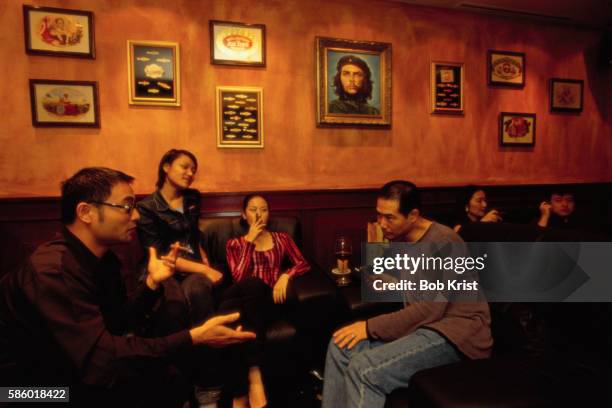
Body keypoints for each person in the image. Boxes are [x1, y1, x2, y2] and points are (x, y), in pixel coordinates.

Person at [0, 167, 255, 407]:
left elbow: (120, 322)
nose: (135, 215)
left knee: (170, 380)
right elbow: (102, 362)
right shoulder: (52, 271)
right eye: (126, 206)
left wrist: (152, 284)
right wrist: (194, 337)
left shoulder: (105, 260)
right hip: (25, 391)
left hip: (75, 369)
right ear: (86, 212)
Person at [321, 180, 492, 408]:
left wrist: (369, 327)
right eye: (379, 215)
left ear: (413, 215)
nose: (382, 223)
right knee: (340, 346)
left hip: (458, 335)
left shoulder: (445, 242)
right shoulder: (405, 240)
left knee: (364, 369)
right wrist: (393, 283)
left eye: (389, 217)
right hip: (427, 326)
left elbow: (430, 309)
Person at [222, 194, 310, 408]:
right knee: (251, 284)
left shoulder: (282, 239)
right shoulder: (234, 244)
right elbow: (238, 277)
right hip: (238, 297)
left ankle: (239, 396)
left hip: (266, 302)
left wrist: (285, 275)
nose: (259, 213)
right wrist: (249, 242)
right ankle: (254, 373)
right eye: (253, 209)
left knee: (237, 325)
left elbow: (303, 263)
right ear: (244, 215)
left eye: (264, 209)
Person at [137, 149, 223, 329]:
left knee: (199, 290)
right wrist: (205, 269)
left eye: (194, 170)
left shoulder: (193, 197)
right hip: (163, 267)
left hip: (192, 265)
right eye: (185, 167)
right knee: (174, 306)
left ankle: (210, 347)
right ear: (166, 167)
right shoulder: (146, 207)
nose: (191, 174)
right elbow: (159, 255)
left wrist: (204, 259)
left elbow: (193, 234)